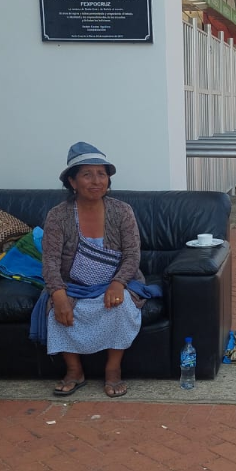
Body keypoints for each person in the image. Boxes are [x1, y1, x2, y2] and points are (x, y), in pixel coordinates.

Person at [34, 142, 152, 398]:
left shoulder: (122, 211)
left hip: (115, 282)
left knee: (120, 306)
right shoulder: (58, 215)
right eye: (87, 174)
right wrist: (58, 293)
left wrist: (118, 283)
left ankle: (113, 370)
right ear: (72, 182)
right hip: (72, 284)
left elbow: (132, 255)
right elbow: (51, 261)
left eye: (102, 174)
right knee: (59, 308)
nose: (96, 181)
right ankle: (74, 371)